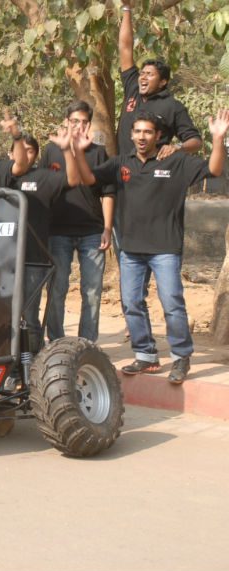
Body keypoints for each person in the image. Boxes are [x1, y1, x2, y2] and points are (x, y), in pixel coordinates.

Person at [73, 109, 229, 384]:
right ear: (131, 135)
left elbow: (214, 169)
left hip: (165, 248)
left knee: (171, 304)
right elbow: (87, 179)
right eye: (137, 132)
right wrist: (77, 152)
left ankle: (181, 357)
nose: (142, 137)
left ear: (158, 136)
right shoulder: (121, 163)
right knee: (132, 303)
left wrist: (218, 138)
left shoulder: (177, 161)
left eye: (148, 132)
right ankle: (145, 354)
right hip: (131, 250)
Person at [39, 101, 116, 342]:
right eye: (74, 121)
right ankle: (57, 342)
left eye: (84, 122)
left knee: (92, 291)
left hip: (92, 231)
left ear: (89, 125)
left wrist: (107, 228)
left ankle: (87, 343)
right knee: (57, 289)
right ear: (66, 122)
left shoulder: (98, 152)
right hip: (57, 231)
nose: (79, 126)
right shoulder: (51, 151)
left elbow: (108, 192)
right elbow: (41, 189)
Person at [9, 129, 79, 345]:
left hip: (34, 258)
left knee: (30, 316)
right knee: (5, 316)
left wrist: (67, 149)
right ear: (11, 153)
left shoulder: (44, 176)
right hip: (4, 259)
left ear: (37, 155)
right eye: (21, 150)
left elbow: (73, 179)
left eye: (31, 151)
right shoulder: (2, 174)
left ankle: (34, 359)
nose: (25, 155)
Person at [117, 0, 202, 157]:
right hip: (123, 172)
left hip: (153, 174)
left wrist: (177, 147)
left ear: (163, 82)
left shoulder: (172, 107)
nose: (143, 77)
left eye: (150, 75)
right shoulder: (133, 87)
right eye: (142, 73)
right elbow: (125, 47)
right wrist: (127, 8)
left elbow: (195, 141)